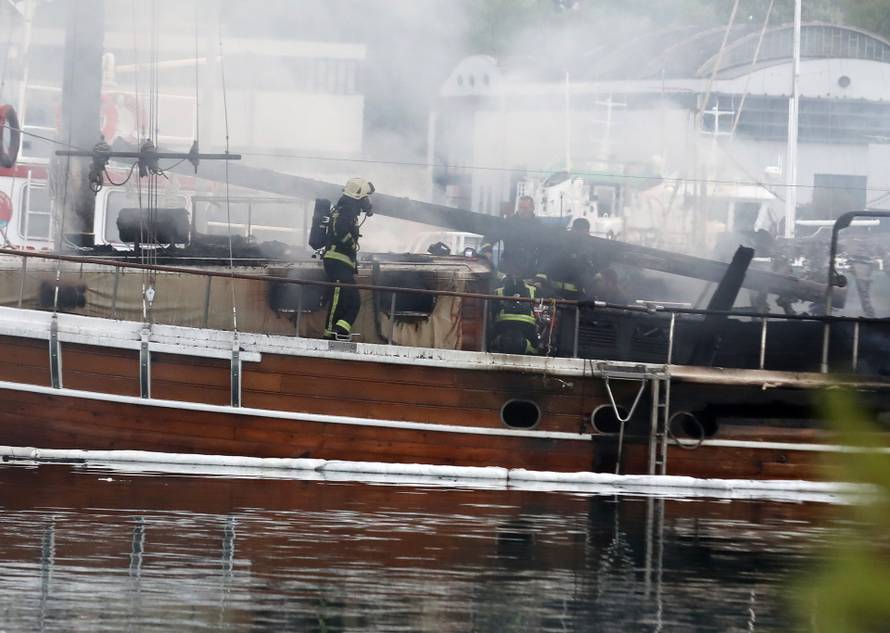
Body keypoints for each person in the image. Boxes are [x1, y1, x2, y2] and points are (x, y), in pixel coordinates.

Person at [322, 177, 374, 340]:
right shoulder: (345, 210)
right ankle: (329, 333)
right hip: (337, 262)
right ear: (359, 197)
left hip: (344, 263)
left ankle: (340, 330)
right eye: (366, 198)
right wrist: (352, 244)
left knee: (354, 301)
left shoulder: (349, 212)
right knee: (338, 298)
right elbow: (340, 231)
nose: (368, 202)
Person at [479, 195, 544, 279]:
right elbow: (490, 237)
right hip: (507, 270)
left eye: (525, 208)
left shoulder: (539, 226)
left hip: (530, 271)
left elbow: (545, 248)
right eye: (520, 208)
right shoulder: (508, 223)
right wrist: (487, 250)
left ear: (532, 208)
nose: (522, 211)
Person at [489, 250, 539, 355]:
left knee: (490, 343)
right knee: (536, 348)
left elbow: (492, 310)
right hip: (528, 325)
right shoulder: (533, 289)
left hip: (502, 324)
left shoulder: (498, 290)